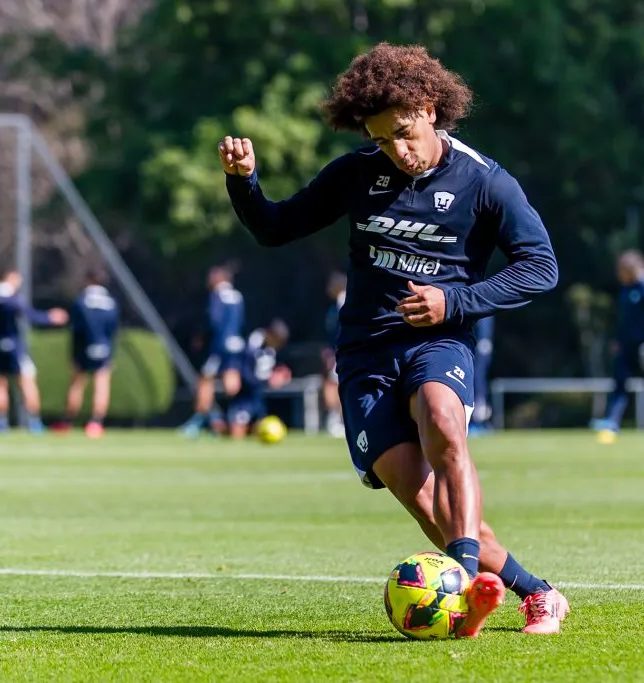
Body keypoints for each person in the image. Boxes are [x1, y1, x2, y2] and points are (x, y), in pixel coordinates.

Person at [219, 43, 565, 637]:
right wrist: (244, 184)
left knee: (444, 423)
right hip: (364, 354)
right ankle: (538, 592)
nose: (397, 151)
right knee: (425, 500)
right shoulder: (357, 173)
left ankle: (457, 578)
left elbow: (541, 266)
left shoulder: (486, 183)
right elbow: (277, 228)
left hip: (440, 341)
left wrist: (452, 302)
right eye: (382, 140)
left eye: (404, 133)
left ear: (430, 109)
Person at [593, 250, 644, 442]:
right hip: (627, 347)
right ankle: (612, 422)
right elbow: (625, 320)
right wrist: (618, 340)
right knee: (619, 383)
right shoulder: (626, 289)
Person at [0, 269, 69, 433]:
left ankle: (1, 422)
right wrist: (49, 318)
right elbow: (28, 314)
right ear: (10, 278)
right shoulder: (11, 299)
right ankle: (34, 422)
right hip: (16, 346)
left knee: (0, 382)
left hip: (0, 344)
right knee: (27, 382)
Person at [181, 266, 245, 438]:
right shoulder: (237, 296)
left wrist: (202, 337)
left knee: (205, 380)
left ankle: (202, 420)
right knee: (232, 385)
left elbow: (214, 321)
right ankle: (237, 414)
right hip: (235, 344)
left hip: (218, 345)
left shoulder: (217, 295)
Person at [55, 268, 119, 439]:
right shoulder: (111, 302)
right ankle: (96, 422)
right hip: (104, 346)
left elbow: (76, 329)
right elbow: (113, 329)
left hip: (84, 346)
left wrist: (74, 353)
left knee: (77, 383)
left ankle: (67, 421)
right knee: (102, 383)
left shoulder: (82, 300)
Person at [224, 319, 292, 439]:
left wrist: (280, 373)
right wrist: (267, 379)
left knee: (258, 425)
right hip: (245, 394)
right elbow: (246, 372)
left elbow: (275, 367)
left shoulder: (272, 349)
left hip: (258, 394)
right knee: (237, 429)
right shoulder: (253, 345)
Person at [322, 271, 347, 438]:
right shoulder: (335, 304)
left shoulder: (344, 301)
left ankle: (335, 420)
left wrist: (334, 353)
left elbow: (342, 330)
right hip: (339, 351)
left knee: (332, 385)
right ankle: (337, 420)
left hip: (343, 352)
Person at [469, 315, 494, 435]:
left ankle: (477, 420)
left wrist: (484, 339)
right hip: (473, 345)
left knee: (478, 381)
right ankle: (474, 419)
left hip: (480, 346)